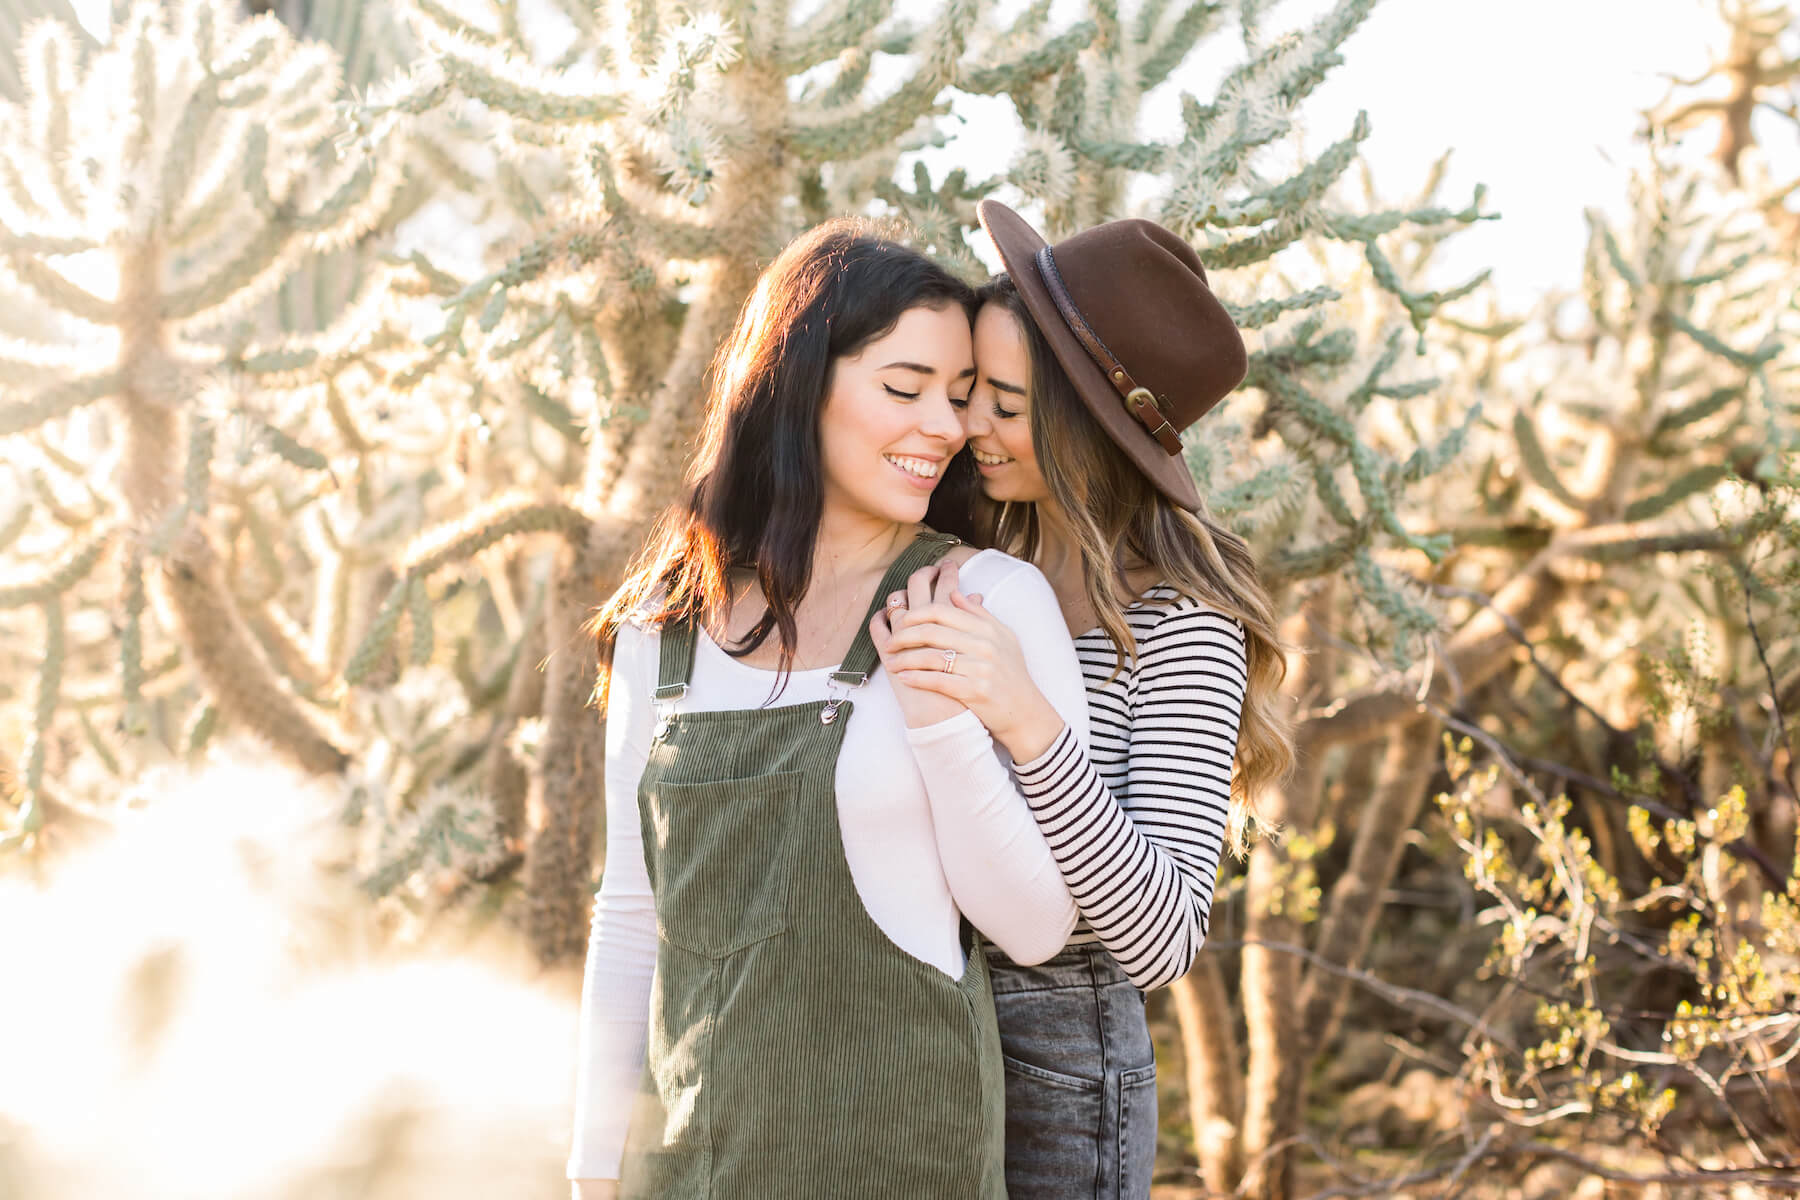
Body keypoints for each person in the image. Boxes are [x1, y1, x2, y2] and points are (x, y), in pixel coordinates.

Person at [566, 218, 1094, 1200]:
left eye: (962, 399)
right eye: (906, 388)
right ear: (798, 384)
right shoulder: (663, 628)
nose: (944, 427)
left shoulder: (989, 602)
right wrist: (595, 1170)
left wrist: (940, 721)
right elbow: (634, 913)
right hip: (694, 1167)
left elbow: (1033, 926)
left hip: (904, 1160)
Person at [875, 200, 1297, 1198]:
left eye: (1007, 407)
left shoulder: (1180, 624)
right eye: (973, 389)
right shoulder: (963, 558)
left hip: (1061, 1060)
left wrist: (1030, 720)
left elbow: (1163, 936)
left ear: (1085, 427)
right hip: (922, 1016)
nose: (967, 424)